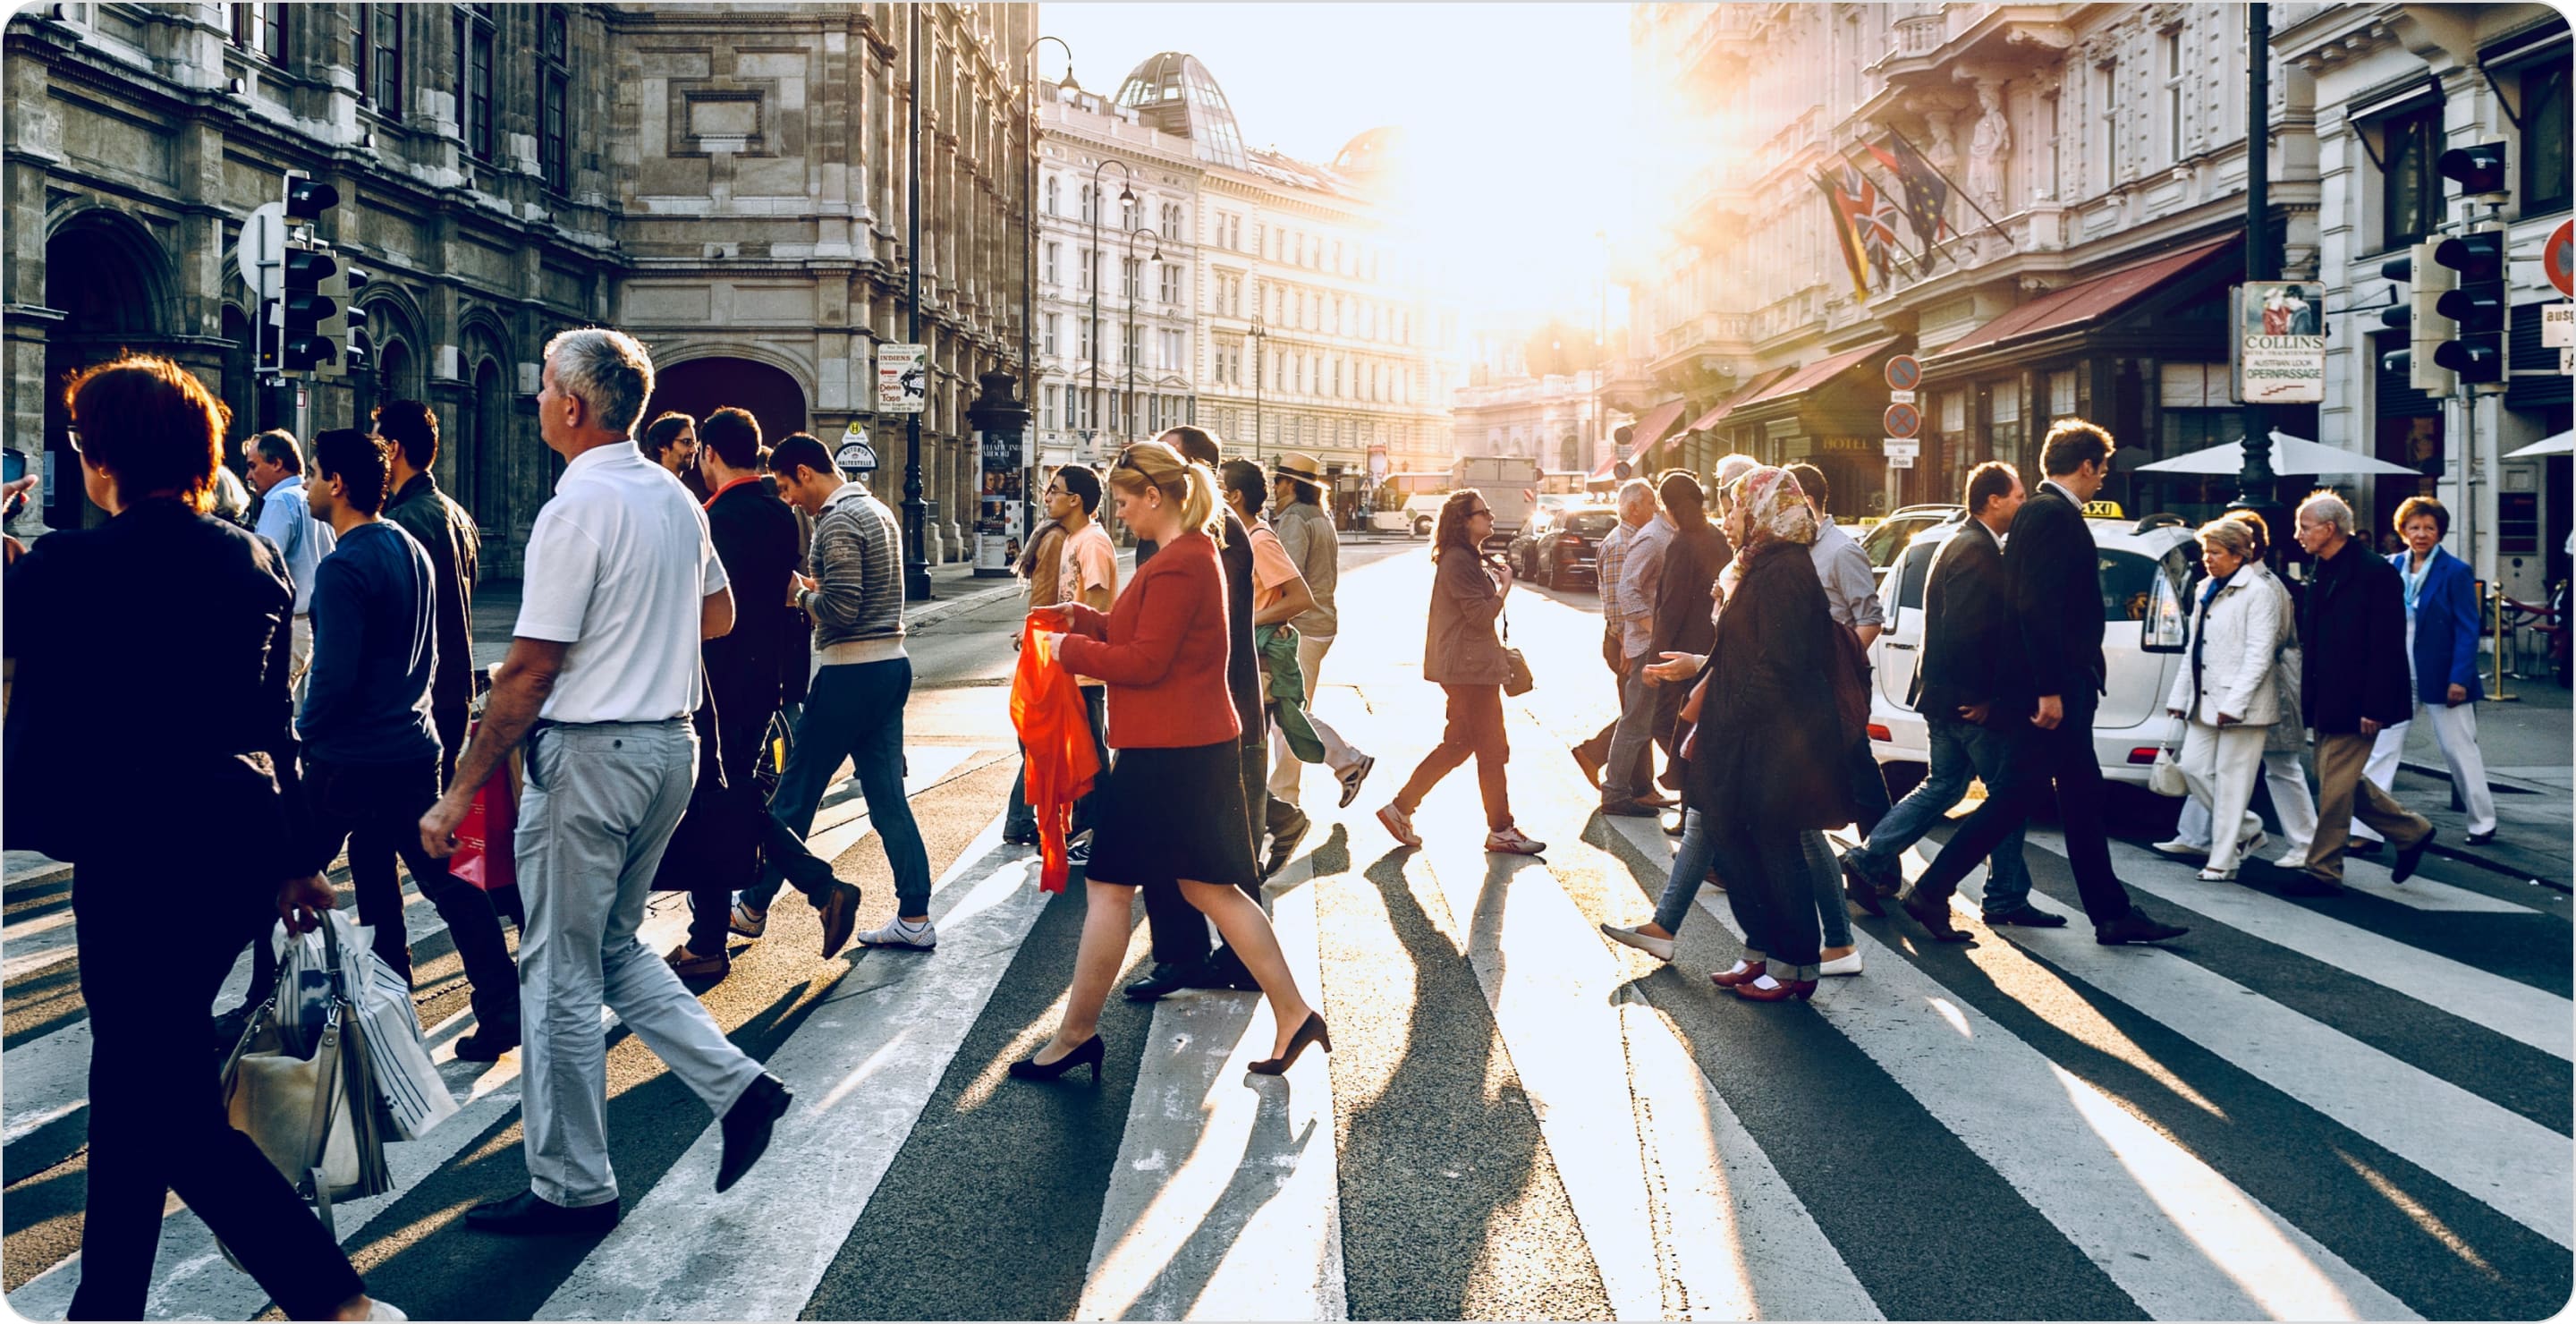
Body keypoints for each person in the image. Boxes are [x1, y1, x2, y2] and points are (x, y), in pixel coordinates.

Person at [4, 355, 395, 1320]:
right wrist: (296, 854)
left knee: (164, 1101)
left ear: (101, 460)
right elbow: (275, 722)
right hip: (232, 847)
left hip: (134, 857)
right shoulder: (247, 557)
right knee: (135, 1074)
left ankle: (337, 1303)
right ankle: (105, 1308)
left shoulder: (70, 565)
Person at [419, 327, 790, 1235]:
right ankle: (739, 1088)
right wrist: (638, 636)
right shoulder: (674, 499)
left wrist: (460, 789)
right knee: (614, 946)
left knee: (554, 972)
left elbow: (531, 668)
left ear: (572, 406)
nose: (538, 398)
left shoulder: (574, 509)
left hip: (591, 755)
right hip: (668, 747)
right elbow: (720, 614)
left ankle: (571, 1185)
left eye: (543, 385)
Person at [1014, 440, 1329, 1082]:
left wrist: (1069, 651)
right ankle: (1295, 1014)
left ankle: (1075, 1035)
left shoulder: (1183, 561)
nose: (1122, 514)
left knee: (1109, 888)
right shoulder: (1186, 555)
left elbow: (1145, 663)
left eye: (1127, 502)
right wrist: (1078, 618)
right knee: (1206, 886)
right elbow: (1141, 638)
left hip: (1170, 752)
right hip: (1185, 746)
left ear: (1155, 497)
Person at [250, 427, 521, 1057]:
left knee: (285, 877)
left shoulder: (345, 565)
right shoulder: (408, 546)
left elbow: (335, 674)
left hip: (347, 757)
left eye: (315, 474)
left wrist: (303, 733)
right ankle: (498, 1005)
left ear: (338, 484)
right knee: (446, 881)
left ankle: (276, 1009)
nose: (310, 485)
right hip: (410, 744)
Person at [1895, 420, 2190, 946]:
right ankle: (1933, 889)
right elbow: (2037, 607)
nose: (2103, 479)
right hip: (2054, 690)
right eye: (2102, 469)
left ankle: (2112, 912)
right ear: (2085, 466)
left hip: (2056, 685)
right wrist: (2050, 689)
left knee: (2079, 795)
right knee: (2018, 796)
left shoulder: (2041, 513)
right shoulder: (2052, 515)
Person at [1600, 467, 1851, 1001]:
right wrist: (1698, 665)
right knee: (1740, 848)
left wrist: (1728, 712)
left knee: (1777, 850)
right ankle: (1760, 951)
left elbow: (1777, 664)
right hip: (1748, 733)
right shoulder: (1760, 564)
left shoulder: (1784, 570)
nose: (1727, 518)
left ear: (1762, 511)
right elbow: (1743, 649)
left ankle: (1793, 967)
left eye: (1736, 507)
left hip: (1773, 740)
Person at [668, 407, 857, 980]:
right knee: (730, 798)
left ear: (709, 455)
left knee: (718, 801)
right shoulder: (782, 516)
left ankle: (721, 936)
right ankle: (716, 935)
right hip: (765, 680)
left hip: (715, 681)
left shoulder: (710, 519)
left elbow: (700, 607)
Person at [731, 433, 935, 951]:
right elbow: (859, 592)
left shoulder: (838, 521)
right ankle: (915, 916)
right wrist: (813, 587)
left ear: (804, 471)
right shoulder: (878, 511)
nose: (789, 499)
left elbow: (842, 610)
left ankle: (753, 906)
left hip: (849, 673)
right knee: (888, 798)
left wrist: (797, 593)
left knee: (795, 794)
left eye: (787, 486)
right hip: (890, 664)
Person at [1839, 462, 2055, 929]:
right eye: (2017, 496)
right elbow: (1964, 631)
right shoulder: (1977, 549)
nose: (2022, 504)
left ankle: (1868, 856)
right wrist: (1982, 698)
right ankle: (2005, 896)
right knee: (2006, 796)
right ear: (1993, 500)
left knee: (1944, 785)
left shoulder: (1957, 540)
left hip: (1940, 695)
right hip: (1967, 702)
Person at [1122, 426, 1274, 1003]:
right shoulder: (1198, 529)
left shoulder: (1199, 533)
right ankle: (1204, 957)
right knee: (1201, 847)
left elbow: (1166, 633)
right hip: (1207, 706)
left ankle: (1214, 958)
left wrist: (1091, 648)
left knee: (1212, 848)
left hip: (1202, 710)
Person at [369, 400, 519, 932]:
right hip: (450, 689)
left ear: (395, 449)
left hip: (417, 699)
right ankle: (391, 959)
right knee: (387, 837)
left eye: (376, 438)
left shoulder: (402, 521)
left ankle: (487, 968)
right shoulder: (456, 513)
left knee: (425, 842)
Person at [1375, 490, 1546, 856]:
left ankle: (1401, 808)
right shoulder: (1458, 561)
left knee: (1460, 744)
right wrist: (1504, 588)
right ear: (1464, 521)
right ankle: (1500, 829)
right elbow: (1481, 616)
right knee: (1492, 748)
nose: (1491, 516)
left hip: (1469, 667)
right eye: (1483, 513)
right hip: (1468, 670)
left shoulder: (1467, 559)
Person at [2290, 490, 2436, 895]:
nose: (2299, 534)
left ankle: (2323, 870)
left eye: (2305, 526)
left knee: (2334, 790)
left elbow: (2385, 645)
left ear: (2329, 528)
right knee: (2335, 778)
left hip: (2358, 700)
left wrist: (2373, 705)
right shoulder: (2323, 567)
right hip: (2328, 694)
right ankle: (2411, 831)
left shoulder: (2374, 572)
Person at [2152, 510, 2318, 868]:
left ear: (2242, 551)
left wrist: (2237, 700)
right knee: (2198, 768)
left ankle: (2233, 856)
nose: (2207, 559)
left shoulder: (2265, 588)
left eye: (2215, 551)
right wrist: (2180, 697)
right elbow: (2195, 650)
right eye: (2206, 551)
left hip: (2252, 697)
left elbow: (2263, 651)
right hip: (2209, 697)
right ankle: (2232, 830)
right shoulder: (2205, 588)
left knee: (2266, 770)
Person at [2353, 496, 2496, 847]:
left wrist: (2460, 677)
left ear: (2439, 533)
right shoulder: (2389, 565)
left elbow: (2467, 628)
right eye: (2414, 527)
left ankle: (2482, 821)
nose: (2421, 534)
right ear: (2402, 530)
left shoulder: (2455, 571)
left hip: (2442, 675)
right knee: (2381, 750)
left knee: (2458, 749)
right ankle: (2366, 830)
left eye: (2429, 528)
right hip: (2396, 673)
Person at [1221, 459, 1325, 877]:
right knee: (1234, 760)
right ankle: (1276, 822)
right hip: (1241, 658)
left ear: (1235, 496)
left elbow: (1300, 598)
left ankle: (1278, 824)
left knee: (1240, 759)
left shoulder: (1259, 539)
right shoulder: (1237, 535)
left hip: (1257, 664)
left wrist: (1246, 619)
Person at [1263, 450, 1375, 820]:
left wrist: (1270, 618)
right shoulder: (1320, 516)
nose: (1273, 487)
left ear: (1291, 484)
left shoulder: (1294, 518)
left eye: (1277, 481)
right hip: (1321, 624)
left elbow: (1285, 576)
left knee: (1289, 715)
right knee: (1289, 712)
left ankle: (1329, 773)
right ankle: (1293, 791)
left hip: (1299, 626)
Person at [1646, 471, 1731, 808]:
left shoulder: (1682, 543)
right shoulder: (1716, 536)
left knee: (1667, 723)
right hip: (1712, 644)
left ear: (1668, 507)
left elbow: (1671, 607)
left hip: (1682, 652)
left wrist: (1654, 661)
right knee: (1694, 724)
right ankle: (1694, 802)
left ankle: (1699, 791)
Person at [1002, 478, 1073, 846]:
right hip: (1048, 644)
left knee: (1039, 739)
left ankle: (1025, 817)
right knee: (1039, 740)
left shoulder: (1052, 534)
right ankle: (1019, 818)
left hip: (1042, 639)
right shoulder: (1057, 537)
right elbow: (1046, 596)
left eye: (1054, 491)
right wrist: (1038, 632)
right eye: (1047, 490)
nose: (1047, 497)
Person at [1597, 479, 1674, 815]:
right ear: (1632, 508)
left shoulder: (1633, 538)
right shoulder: (1621, 543)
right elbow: (1617, 600)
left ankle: (1639, 787)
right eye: (1649, 504)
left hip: (1632, 638)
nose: (1654, 509)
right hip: (1626, 640)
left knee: (1641, 715)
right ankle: (1618, 791)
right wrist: (1624, 641)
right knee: (1636, 716)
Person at [245, 428, 337, 694]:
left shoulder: (280, 500)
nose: (248, 476)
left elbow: (261, 567)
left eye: (253, 466)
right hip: (315, 623)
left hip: (291, 627)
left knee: (270, 708)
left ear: (276, 463)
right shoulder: (314, 498)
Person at [640, 411, 699, 482]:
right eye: (686, 442)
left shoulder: (685, 492)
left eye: (695, 444)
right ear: (662, 446)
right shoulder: (649, 487)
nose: (695, 450)